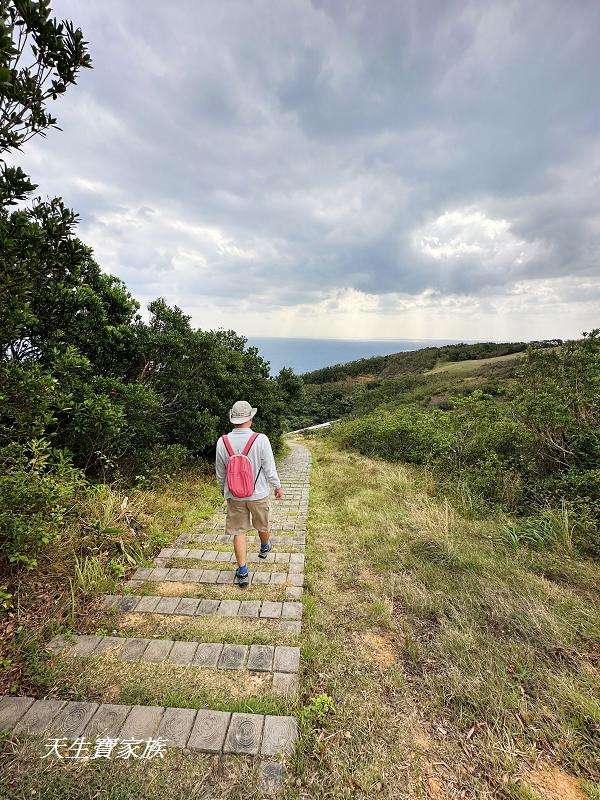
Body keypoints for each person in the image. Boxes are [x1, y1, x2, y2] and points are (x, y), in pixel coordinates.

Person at [215, 400, 283, 587]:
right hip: (258, 493)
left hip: (235, 496)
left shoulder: (223, 441)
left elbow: (220, 472)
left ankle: (243, 571)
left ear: (233, 419)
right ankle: (264, 547)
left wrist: (225, 490)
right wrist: (277, 486)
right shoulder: (261, 439)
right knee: (262, 524)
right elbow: (269, 468)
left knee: (239, 531)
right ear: (250, 418)